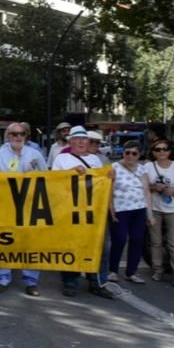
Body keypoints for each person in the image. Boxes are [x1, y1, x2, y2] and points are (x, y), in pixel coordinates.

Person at [52, 126, 115, 299]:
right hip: (71, 210)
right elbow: (54, 182)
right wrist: (71, 173)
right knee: (71, 245)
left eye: (84, 139)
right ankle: (70, 282)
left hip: (94, 211)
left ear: (88, 142)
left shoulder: (96, 159)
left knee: (101, 247)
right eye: (77, 139)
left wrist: (109, 177)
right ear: (70, 141)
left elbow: (103, 184)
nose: (80, 142)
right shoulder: (62, 159)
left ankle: (98, 282)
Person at [0, 123, 47, 295]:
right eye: (14, 134)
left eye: (21, 133)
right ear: (8, 136)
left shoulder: (35, 154)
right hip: (5, 205)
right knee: (3, 241)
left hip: (29, 205)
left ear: (26, 135)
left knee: (30, 242)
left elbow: (48, 178)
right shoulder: (0, 155)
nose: (18, 136)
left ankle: (31, 281)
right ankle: (2, 278)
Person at [144, 137, 174, 287]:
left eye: (165, 149)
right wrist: (154, 188)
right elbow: (145, 187)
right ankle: (158, 270)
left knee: (173, 242)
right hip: (155, 208)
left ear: (169, 152)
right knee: (156, 242)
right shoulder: (148, 167)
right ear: (153, 153)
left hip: (173, 209)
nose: (162, 152)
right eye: (158, 150)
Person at [109, 140, 153, 284]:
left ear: (139, 155)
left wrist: (150, 214)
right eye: (127, 152)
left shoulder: (142, 169)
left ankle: (131, 272)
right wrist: (111, 209)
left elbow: (146, 191)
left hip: (139, 208)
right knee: (119, 239)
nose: (130, 156)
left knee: (137, 239)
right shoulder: (114, 167)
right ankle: (113, 270)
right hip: (121, 208)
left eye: (134, 153)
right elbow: (108, 190)